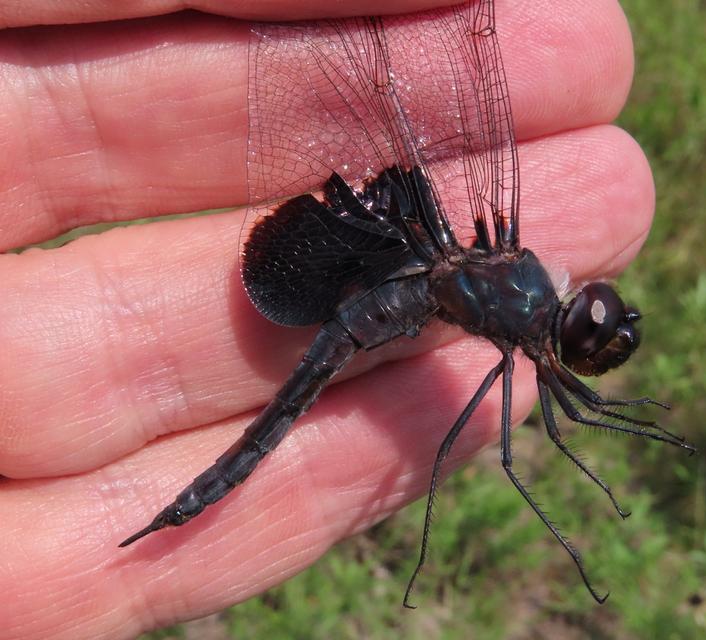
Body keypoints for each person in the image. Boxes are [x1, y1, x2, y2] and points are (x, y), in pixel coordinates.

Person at [0, 0, 654, 637]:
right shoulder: (534, 329)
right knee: (479, 449)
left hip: (422, 270)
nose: (607, 324)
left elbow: (577, 415)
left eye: (601, 327)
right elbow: (537, 443)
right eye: (602, 322)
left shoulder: (526, 300)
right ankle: (190, 502)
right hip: (397, 290)